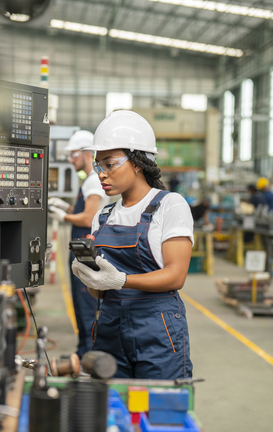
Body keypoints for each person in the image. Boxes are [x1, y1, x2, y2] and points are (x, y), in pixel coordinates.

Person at [70, 110, 194, 380]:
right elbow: (99, 293)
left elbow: (176, 275)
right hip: (109, 328)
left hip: (157, 331)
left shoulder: (169, 205)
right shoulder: (102, 217)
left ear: (137, 162)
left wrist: (122, 280)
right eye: (97, 165)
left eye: (110, 164)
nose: (101, 174)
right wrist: (90, 276)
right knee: (112, 412)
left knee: (159, 411)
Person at [48, 130, 109, 358]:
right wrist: (64, 208)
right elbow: (81, 212)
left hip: (87, 251)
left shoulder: (94, 180)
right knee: (79, 303)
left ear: (86, 153)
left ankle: (88, 356)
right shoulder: (89, 180)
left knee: (86, 306)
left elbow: (87, 217)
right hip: (81, 248)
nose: (71, 160)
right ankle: (83, 351)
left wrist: (62, 217)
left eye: (74, 154)